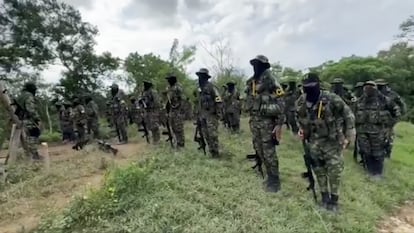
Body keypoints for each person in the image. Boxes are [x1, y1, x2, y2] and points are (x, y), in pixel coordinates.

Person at [296, 73, 355, 212]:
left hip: (332, 142)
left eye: (311, 86)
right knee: (319, 170)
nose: (308, 89)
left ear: (318, 85)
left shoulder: (331, 98)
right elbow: (298, 116)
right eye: (306, 87)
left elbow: (349, 115)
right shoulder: (301, 100)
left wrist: (348, 136)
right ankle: (324, 197)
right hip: (313, 142)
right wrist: (301, 130)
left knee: (334, 171)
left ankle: (334, 200)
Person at [245, 55, 285, 192]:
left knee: (269, 152)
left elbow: (281, 102)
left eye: (259, 65)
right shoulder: (251, 82)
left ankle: (275, 180)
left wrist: (279, 125)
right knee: (259, 148)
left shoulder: (271, 81)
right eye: (254, 64)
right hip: (255, 121)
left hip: (268, 123)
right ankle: (268, 174)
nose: (256, 67)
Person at [355, 81, 400, 178]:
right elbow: (353, 114)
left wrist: (390, 125)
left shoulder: (384, 100)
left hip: (378, 132)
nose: (368, 88)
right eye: (366, 87)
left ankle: (378, 173)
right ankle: (370, 171)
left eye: (371, 86)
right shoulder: (360, 100)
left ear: (375, 88)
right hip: (362, 131)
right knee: (365, 151)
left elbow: (396, 111)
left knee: (378, 152)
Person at [375, 78, 406, 158]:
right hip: (375, 119)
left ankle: (387, 153)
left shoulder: (392, 94)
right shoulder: (372, 94)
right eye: (378, 86)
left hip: (389, 120)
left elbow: (401, 104)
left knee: (388, 137)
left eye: (381, 86)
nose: (379, 87)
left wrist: (399, 115)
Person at [195, 68, 222, 157]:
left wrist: (218, 114)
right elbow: (199, 102)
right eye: (199, 76)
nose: (200, 78)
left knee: (213, 135)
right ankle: (211, 152)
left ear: (205, 77)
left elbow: (218, 100)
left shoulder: (212, 87)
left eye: (201, 76)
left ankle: (216, 152)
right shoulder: (199, 89)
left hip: (211, 115)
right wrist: (198, 114)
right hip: (202, 115)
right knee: (205, 134)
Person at [16, 82, 42, 160]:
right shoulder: (28, 96)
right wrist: (37, 119)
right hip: (29, 120)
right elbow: (30, 109)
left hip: (22, 119)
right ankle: (34, 155)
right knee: (33, 135)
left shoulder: (21, 96)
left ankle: (30, 155)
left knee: (27, 138)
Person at [165, 74, 185, 147]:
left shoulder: (178, 88)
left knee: (179, 128)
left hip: (178, 110)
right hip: (172, 110)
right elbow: (168, 100)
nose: (168, 81)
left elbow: (182, 99)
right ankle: (176, 142)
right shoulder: (169, 88)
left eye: (169, 80)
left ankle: (181, 144)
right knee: (173, 127)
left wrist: (180, 108)